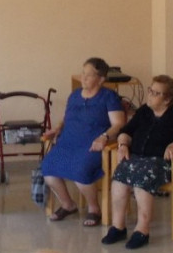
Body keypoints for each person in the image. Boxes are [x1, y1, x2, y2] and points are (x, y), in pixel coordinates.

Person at [101, 74, 173, 249]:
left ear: (167, 99)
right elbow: (126, 130)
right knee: (120, 173)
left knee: (141, 174)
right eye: (150, 90)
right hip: (138, 158)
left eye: (155, 92)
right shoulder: (144, 110)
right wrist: (122, 144)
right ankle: (118, 226)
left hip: (166, 162)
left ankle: (142, 230)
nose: (150, 94)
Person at [41, 57, 125, 226]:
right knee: (48, 169)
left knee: (81, 171)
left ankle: (94, 209)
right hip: (69, 142)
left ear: (101, 79)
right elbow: (67, 119)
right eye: (83, 73)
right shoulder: (74, 96)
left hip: (93, 144)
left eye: (89, 75)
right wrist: (57, 128)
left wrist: (104, 137)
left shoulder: (109, 97)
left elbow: (118, 123)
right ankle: (68, 204)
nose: (84, 78)